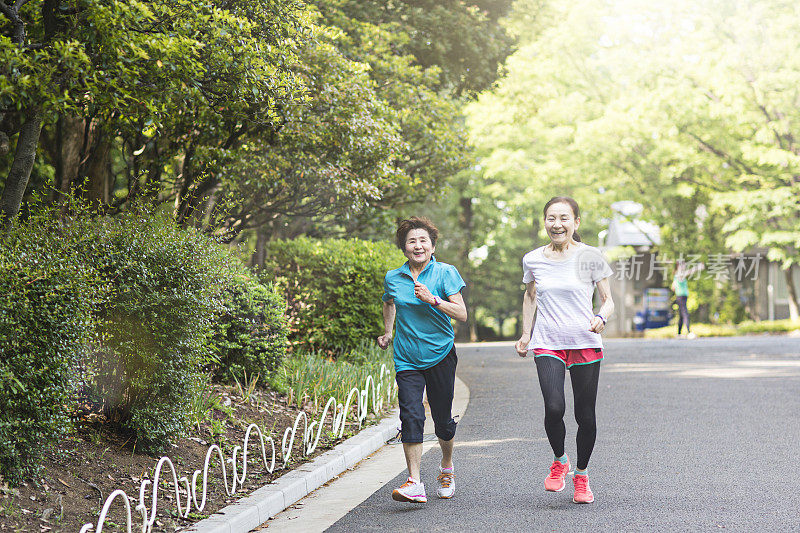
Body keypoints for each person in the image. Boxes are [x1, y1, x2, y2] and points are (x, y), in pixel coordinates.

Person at [515, 196, 614, 504]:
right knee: (554, 407)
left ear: (576, 222)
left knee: (585, 415)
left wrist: (601, 317)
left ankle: (581, 476)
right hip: (547, 342)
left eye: (564, 218)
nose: (557, 224)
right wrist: (525, 334)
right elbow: (530, 297)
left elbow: (608, 300)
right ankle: (560, 460)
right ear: (544, 222)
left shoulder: (590, 256)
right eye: (551, 219)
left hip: (584, 342)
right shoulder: (533, 259)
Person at [378, 216, 467, 503]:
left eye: (423, 240)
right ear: (404, 248)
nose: (418, 246)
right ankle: (414, 481)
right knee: (411, 415)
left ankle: (446, 467)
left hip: (440, 354)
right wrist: (388, 332)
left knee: (442, 421)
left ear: (432, 245)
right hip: (407, 358)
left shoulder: (445, 273)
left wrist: (434, 300)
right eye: (411, 241)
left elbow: (462, 314)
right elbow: (389, 301)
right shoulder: (394, 277)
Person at [671, 259, 703, 339]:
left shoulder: (677, 275)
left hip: (681, 297)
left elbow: (673, 287)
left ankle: (678, 334)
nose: (684, 266)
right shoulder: (679, 274)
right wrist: (697, 268)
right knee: (685, 314)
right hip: (681, 297)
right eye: (683, 265)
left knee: (682, 316)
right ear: (679, 266)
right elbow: (687, 273)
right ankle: (689, 332)